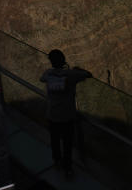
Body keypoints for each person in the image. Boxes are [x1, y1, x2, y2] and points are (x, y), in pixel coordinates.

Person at [40, 49, 92, 179]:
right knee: (67, 144)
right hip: (67, 116)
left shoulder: (48, 74)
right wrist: (77, 69)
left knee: (55, 141)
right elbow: (88, 74)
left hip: (52, 115)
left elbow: (42, 79)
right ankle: (68, 169)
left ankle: (57, 162)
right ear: (63, 60)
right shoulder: (71, 75)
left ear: (51, 62)